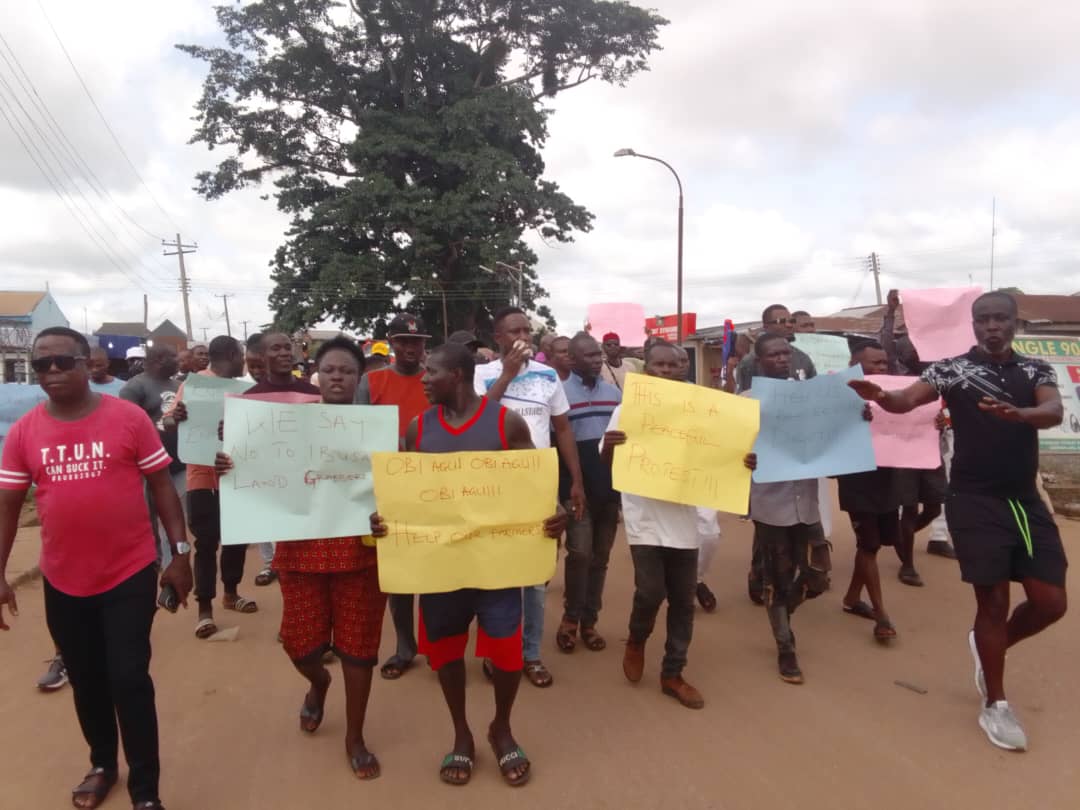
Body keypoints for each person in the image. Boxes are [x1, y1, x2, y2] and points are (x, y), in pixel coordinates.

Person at [849, 291, 1067, 751]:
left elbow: (1053, 411)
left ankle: (991, 644)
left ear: (1013, 323)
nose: (991, 326)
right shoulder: (951, 369)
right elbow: (907, 401)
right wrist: (882, 397)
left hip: (1024, 501)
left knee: (1050, 603)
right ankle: (997, 704)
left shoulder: (1035, 370)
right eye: (983, 319)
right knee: (991, 602)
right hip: (973, 500)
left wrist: (1022, 414)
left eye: (999, 319)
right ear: (973, 324)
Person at [0, 326, 193, 810]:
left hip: (128, 571)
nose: (52, 371)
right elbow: (7, 507)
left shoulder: (127, 418)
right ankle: (104, 764)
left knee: (129, 677)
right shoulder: (25, 432)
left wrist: (180, 553)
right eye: (42, 364)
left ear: (86, 363)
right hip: (63, 579)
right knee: (86, 679)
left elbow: (162, 486)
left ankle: (145, 789)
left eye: (63, 361)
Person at [370, 343, 567, 787]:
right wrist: (385, 523)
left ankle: (501, 726)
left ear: (457, 375)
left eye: (431, 372)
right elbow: (406, 499)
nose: (422, 379)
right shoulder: (418, 430)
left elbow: (536, 485)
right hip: (439, 569)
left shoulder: (505, 423)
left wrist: (556, 514)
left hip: (497, 565)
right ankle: (461, 733)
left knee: (507, 655)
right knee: (445, 654)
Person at [216, 336, 387, 778]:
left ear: (357, 378)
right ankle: (318, 683)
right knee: (300, 646)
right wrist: (231, 467)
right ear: (317, 374)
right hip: (299, 552)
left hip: (361, 557)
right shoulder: (284, 425)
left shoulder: (377, 429)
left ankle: (356, 736)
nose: (336, 376)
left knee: (358, 649)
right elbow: (253, 469)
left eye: (346, 371)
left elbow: (397, 487)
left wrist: (388, 512)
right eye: (329, 369)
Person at [602, 340, 726, 709]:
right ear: (647, 368)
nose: (667, 371)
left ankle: (673, 672)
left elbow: (720, 454)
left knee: (683, 600)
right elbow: (609, 466)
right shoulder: (628, 410)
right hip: (645, 517)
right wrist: (610, 445)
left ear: (683, 367)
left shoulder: (702, 411)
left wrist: (742, 462)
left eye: (674, 365)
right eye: (659, 365)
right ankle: (637, 639)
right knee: (650, 591)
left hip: (685, 516)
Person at [475, 307, 585, 688]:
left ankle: (531, 653)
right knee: (494, 573)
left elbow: (562, 429)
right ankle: (495, 650)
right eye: (514, 330)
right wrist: (506, 373)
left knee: (536, 578)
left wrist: (575, 481)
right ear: (499, 338)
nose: (523, 335)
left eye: (527, 329)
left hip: (537, 485)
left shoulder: (548, 376)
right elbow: (478, 420)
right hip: (491, 486)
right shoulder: (481, 375)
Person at [742, 334, 832, 684]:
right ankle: (785, 645)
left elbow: (832, 434)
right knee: (778, 578)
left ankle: (781, 609)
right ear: (759, 361)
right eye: (773, 354)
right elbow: (727, 451)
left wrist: (857, 418)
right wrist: (744, 459)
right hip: (771, 504)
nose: (782, 358)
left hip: (806, 502)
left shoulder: (813, 398)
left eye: (786, 353)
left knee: (818, 576)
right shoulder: (746, 402)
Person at [164, 336, 258, 639]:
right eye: (241, 355)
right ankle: (204, 609)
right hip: (201, 477)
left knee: (236, 539)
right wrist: (174, 418)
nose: (243, 361)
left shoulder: (244, 390)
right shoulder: (194, 386)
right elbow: (167, 423)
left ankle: (231, 593)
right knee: (205, 542)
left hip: (236, 476)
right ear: (230, 355)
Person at [357, 314, 432, 682]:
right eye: (402, 341)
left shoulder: (436, 380)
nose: (409, 348)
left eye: (416, 342)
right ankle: (405, 645)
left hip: (434, 488)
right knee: (398, 573)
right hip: (386, 490)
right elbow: (355, 436)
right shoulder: (371, 382)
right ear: (390, 342)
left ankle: (436, 644)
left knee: (436, 569)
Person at [737, 305, 819, 605]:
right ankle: (762, 576)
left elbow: (817, 396)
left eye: (788, 321)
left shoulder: (803, 358)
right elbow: (748, 405)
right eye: (779, 321)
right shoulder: (749, 363)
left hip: (798, 452)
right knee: (768, 521)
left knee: (799, 521)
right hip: (767, 451)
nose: (786, 325)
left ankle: (791, 579)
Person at [554, 334, 621, 654]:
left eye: (598, 355)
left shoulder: (614, 394)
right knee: (579, 553)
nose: (596, 360)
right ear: (572, 359)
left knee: (600, 558)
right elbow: (557, 444)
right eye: (589, 355)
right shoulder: (559, 394)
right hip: (574, 488)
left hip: (609, 488)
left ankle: (590, 623)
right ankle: (570, 619)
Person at [880, 288, 957, 562]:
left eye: (918, 343)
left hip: (934, 445)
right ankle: (907, 561)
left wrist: (945, 419)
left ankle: (903, 537)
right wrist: (890, 313)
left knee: (936, 505)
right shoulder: (895, 372)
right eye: (908, 343)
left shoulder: (937, 373)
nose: (914, 348)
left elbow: (950, 405)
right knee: (909, 507)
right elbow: (886, 344)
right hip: (903, 450)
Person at [836, 339, 900, 643]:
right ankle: (882, 614)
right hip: (857, 477)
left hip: (888, 475)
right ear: (856, 365)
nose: (881, 368)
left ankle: (851, 597)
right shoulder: (840, 393)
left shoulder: (895, 392)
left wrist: (933, 423)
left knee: (878, 544)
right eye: (875, 363)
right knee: (868, 543)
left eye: (884, 363)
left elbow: (911, 420)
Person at [119, 344, 184, 567]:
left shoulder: (179, 386)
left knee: (175, 517)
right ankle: (150, 563)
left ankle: (170, 565)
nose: (178, 361)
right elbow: (127, 427)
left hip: (177, 464)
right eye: (173, 356)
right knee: (148, 519)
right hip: (146, 467)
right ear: (158, 360)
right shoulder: (134, 387)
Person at [734, 304, 817, 393]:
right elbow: (745, 398)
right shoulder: (751, 361)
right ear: (766, 327)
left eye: (791, 321)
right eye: (781, 321)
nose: (789, 325)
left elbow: (814, 392)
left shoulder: (803, 358)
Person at [243, 333, 319, 397]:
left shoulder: (314, 393)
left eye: (288, 348)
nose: (284, 353)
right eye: (276, 349)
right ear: (263, 356)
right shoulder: (251, 397)